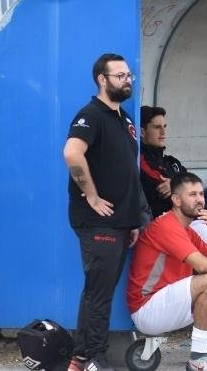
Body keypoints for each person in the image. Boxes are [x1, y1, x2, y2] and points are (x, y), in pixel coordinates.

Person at [63, 53, 148, 370]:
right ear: (102, 79)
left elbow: (126, 171)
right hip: (98, 221)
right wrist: (92, 195)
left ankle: (80, 358)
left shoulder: (123, 119)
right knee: (98, 293)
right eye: (121, 76)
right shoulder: (91, 115)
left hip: (120, 222)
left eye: (129, 75)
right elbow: (72, 154)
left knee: (99, 291)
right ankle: (92, 358)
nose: (128, 80)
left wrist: (133, 218)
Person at [126, 172, 207, 371]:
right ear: (176, 200)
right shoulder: (166, 226)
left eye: (201, 194)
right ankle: (198, 359)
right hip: (148, 307)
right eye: (192, 195)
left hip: (174, 304)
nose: (199, 200)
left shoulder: (189, 230)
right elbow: (203, 265)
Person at [139, 105, 187, 217]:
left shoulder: (172, 162)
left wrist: (175, 184)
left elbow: (194, 184)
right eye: (157, 127)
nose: (163, 132)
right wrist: (180, 184)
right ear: (142, 132)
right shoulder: (141, 162)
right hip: (163, 225)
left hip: (189, 221)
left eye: (164, 127)